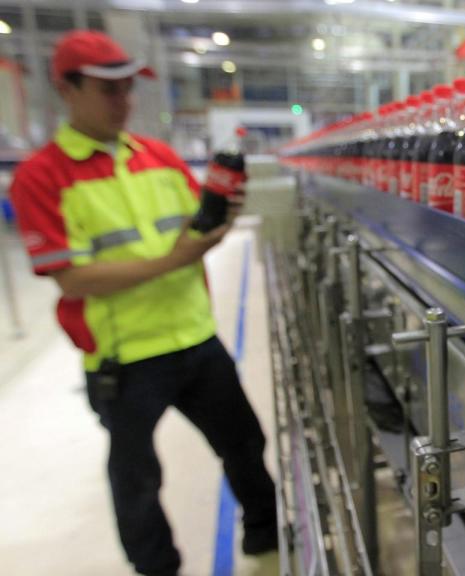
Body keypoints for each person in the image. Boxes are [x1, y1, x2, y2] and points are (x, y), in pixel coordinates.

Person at [8, 30, 276, 576]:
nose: (123, 101)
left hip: (195, 337)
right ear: (67, 89)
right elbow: (73, 280)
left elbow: (196, 232)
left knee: (246, 444)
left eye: (128, 88)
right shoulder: (42, 177)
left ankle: (266, 536)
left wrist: (220, 220)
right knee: (137, 481)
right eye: (108, 89)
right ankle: (158, 568)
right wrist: (175, 259)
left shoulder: (157, 156)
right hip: (124, 359)